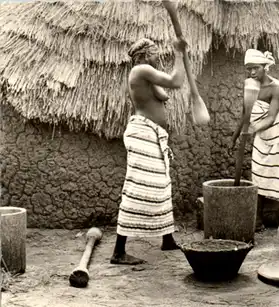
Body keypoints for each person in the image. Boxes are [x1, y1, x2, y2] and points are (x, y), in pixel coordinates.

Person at [110, 37, 187, 265]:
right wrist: (180, 55)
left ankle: (167, 239)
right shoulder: (141, 69)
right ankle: (118, 251)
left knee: (161, 185)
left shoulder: (146, 73)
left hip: (152, 135)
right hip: (142, 134)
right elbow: (176, 81)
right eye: (154, 51)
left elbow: (163, 95)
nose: (158, 55)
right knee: (137, 188)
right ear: (143, 54)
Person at [231, 49, 279, 229]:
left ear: (265, 67)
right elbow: (245, 112)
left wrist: (252, 130)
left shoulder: (276, 87)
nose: (252, 73)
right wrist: (236, 136)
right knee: (259, 171)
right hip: (260, 131)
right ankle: (257, 221)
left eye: (255, 68)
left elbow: (272, 117)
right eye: (249, 69)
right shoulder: (248, 84)